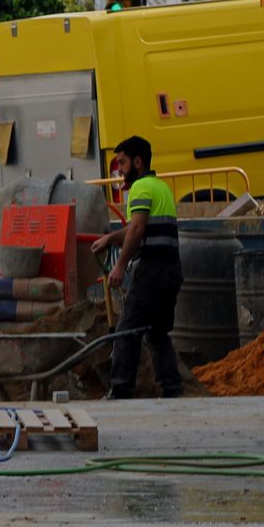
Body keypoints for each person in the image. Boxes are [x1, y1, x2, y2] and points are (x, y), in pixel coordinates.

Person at [91, 135, 184, 399]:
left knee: (127, 329)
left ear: (138, 162)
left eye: (122, 162)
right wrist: (111, 238)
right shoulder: (161, 187)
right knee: (157, 333)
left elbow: (138, 229)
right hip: (171, 270)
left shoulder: (140, 188)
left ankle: (120, 389)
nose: (118, 170)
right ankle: (172, 388)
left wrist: (119, 266)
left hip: (151, 270)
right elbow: (136, 228)